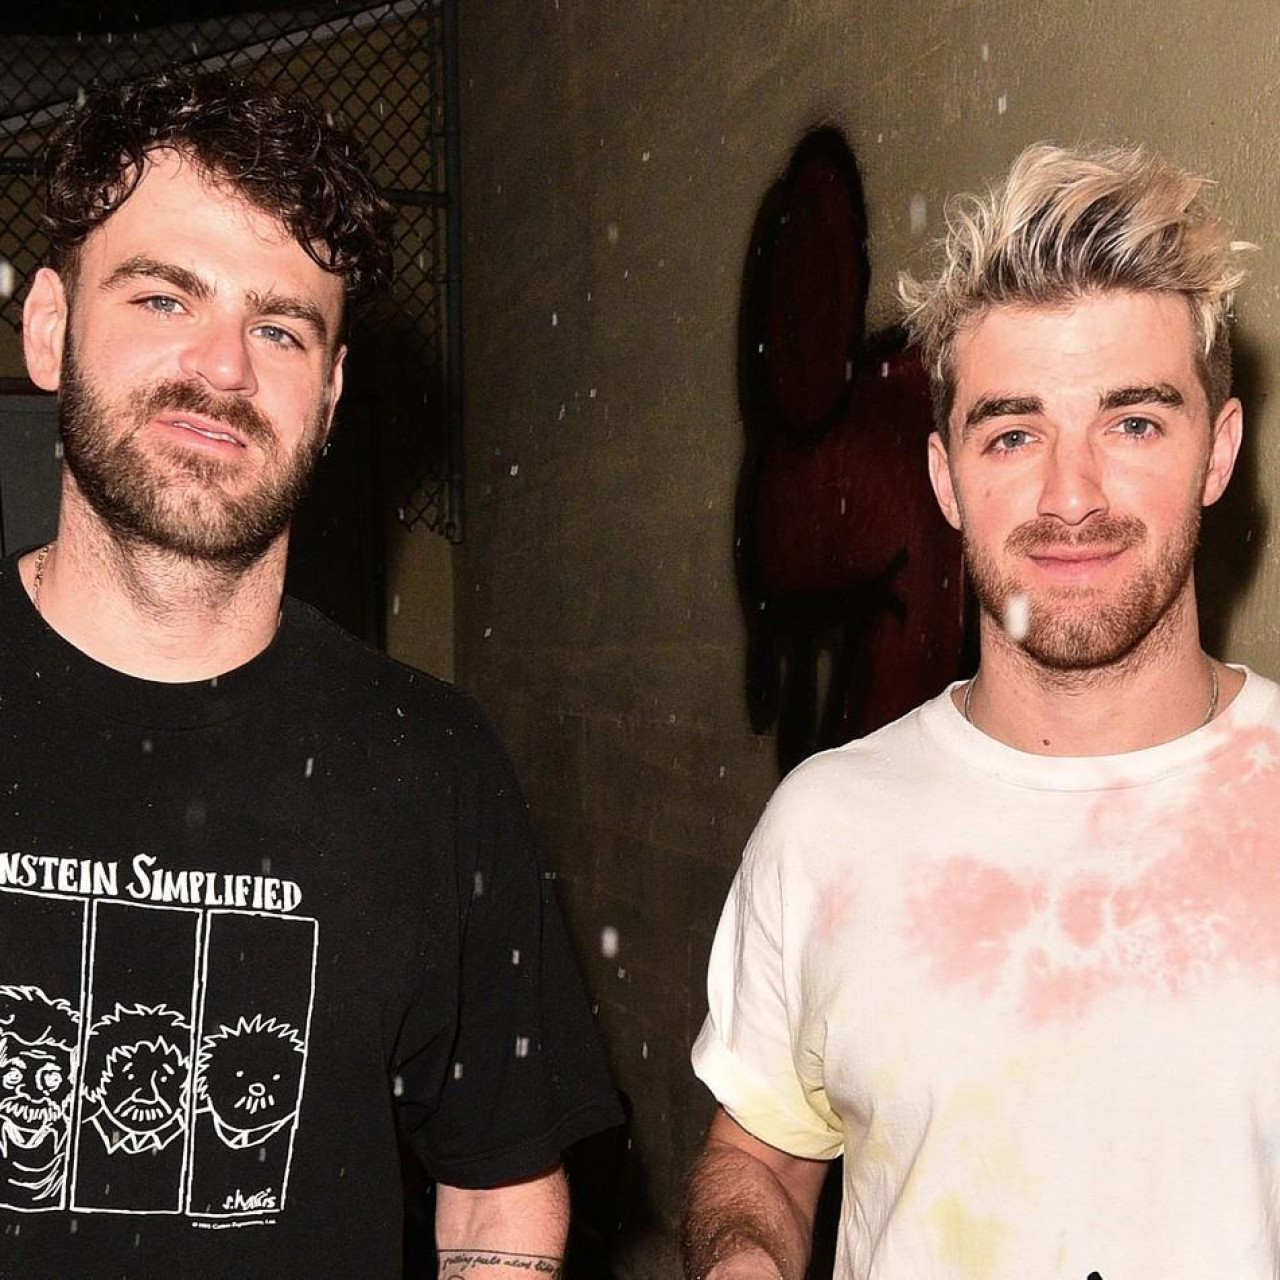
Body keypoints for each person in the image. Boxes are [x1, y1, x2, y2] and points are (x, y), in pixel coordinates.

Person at [0, 70, 620, 1277]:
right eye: (165, 297)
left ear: (329, 394)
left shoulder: (430, 763)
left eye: (279, 327)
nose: (222, 367)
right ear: (48, 326)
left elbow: (497, 1199)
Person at [682, 142, 1276, 1278]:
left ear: (1219, 452)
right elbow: (757, 1158)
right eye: (1012, 433)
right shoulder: (826, 826)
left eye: (1132, 422)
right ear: (945, 478)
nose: (1070, 495)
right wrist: (741, 1257)